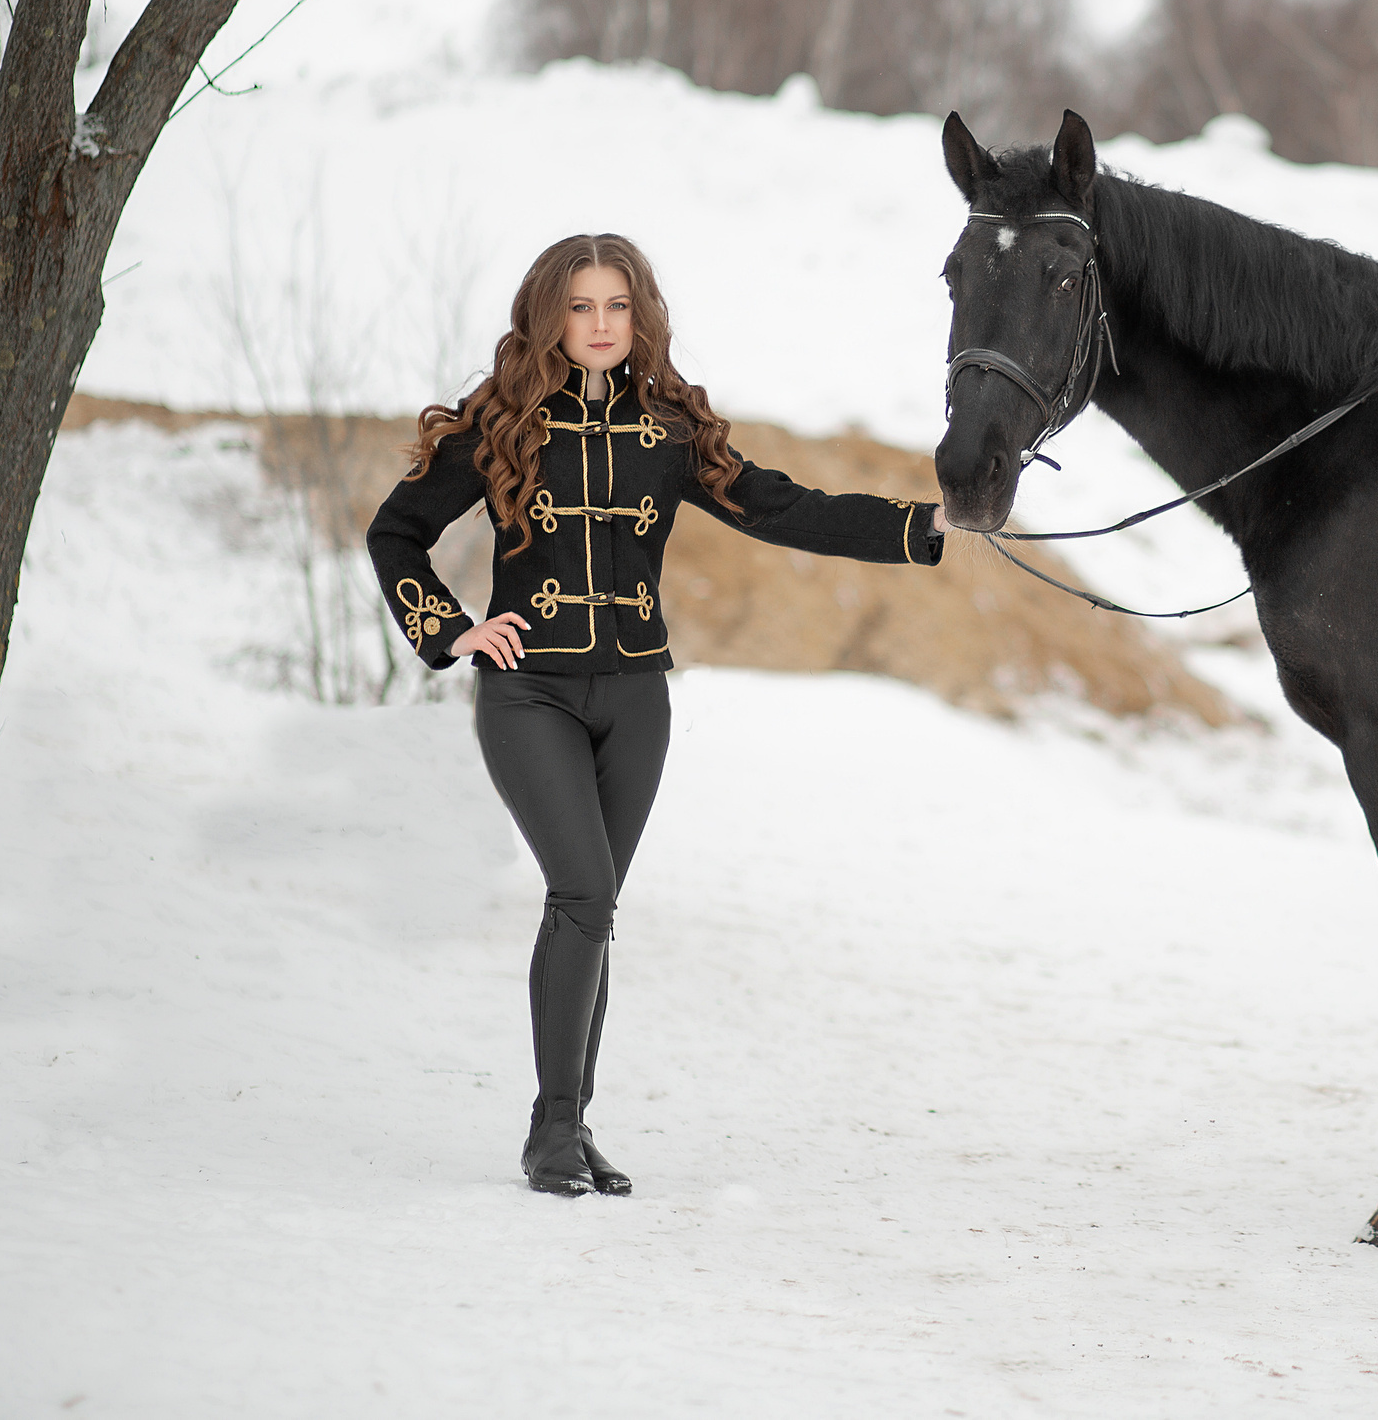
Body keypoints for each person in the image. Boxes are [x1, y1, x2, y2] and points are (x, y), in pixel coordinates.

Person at [368, 232, 946, 1197]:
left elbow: (782, 507)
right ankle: (553, 1130)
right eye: (581, 306)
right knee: (583, 890)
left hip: (637, 697)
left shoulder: (669, 429)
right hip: (530, 689)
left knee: (592, 913)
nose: (600, 324)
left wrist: (917, 526)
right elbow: (396, 531)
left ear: (640, 317)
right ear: (550, 316)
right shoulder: (502, 422)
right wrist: (453, 629)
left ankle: (568, 1126)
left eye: (617, 306)